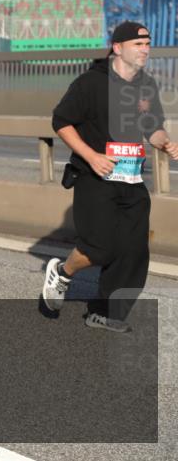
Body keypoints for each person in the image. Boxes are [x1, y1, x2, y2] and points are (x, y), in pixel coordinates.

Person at [42, 21, 178, 332]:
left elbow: (151, 126)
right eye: (138, 44)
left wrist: (164, 142)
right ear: (118, 48)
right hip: (95, 178)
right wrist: (91, 156)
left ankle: (105, 313)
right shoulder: (91, 83)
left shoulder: (147, 85)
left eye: (147, 44)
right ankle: (63, 272)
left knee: (132, 251)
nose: (145, 50)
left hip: (132, 180)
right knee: (100, 247)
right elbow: (62, 121)